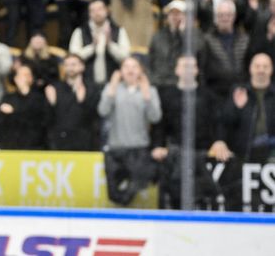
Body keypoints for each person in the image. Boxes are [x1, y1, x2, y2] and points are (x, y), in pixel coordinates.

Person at [151, 55, 224, 209]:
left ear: (197, 70)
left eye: (192, 66)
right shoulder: (167, 96)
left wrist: (219, 141)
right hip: (175, 155)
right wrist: (158, 146)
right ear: (177, 70)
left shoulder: (208, 96)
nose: (188, 69)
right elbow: (160, 126)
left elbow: (217, 122)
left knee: (205, 198)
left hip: (203, 155)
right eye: (184, 66)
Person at [99, 57, 162, 206]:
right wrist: (112, 88)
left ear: (141, 71)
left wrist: (147, 96)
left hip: (138, 150)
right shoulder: (112, 88)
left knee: (131, 193)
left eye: (134, 66)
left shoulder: (150, 90)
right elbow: (103, 110)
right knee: (113, 194)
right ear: (120, 71)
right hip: (115, 150)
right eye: (126, 66)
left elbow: (155, 117)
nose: (130, 70)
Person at [219, 54, 275, 165]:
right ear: (250, 68)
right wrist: (237, 108)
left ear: (271, 69)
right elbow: (225, 123)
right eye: (257, 66)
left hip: (271, 156)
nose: (261, 70)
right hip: (243, 156)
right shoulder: (239, 91)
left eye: (265, 66)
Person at [148, 0, 203, 98]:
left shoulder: (195, 35)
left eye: (178, 13)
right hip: (159, 84)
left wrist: (183, 34)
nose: (175, 17)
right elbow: (150, 62)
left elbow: (198, 52)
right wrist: (153, 80)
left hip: (181, 86)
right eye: (172, 13)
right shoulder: (158, 36)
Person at [45, 54, 101, 151]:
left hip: (85, 140)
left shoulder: (91, 88)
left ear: (82, 66)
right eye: (67, 65)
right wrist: (51, 104)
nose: (70, 68)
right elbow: (49, 117)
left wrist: (83, 100)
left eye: (73, 64)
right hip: (60, 140)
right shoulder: (54, 88)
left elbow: (95, 115)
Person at [69, 0, 130, 86]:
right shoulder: (79, 31)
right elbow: (73, 59)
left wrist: (110, 44)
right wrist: (92, 47)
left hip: (114, 83)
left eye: (100, 9)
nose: (97, 13)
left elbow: (125, 57)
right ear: (89, 14)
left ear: (106, 11)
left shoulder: (119, 30)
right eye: (93, 10)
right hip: (86, 84)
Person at [200, 0, 249, 104]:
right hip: (214, 95)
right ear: (216, 17)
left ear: (234, 16)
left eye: (228, 14)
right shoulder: (206, 40)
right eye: (221, 15)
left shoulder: (245, 39)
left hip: (241, 94)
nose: (225, 18)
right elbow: (202, 71)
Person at [0, 64, 49, 149]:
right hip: (11, 145)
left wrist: (14, 112)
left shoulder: (39, 99)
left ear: (31, 78)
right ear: (15, 79)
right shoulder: (8, 98)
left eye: (26, 75)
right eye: (20, 75)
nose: (22, 78)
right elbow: (1, 119)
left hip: (33, 145)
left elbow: (37, 119)